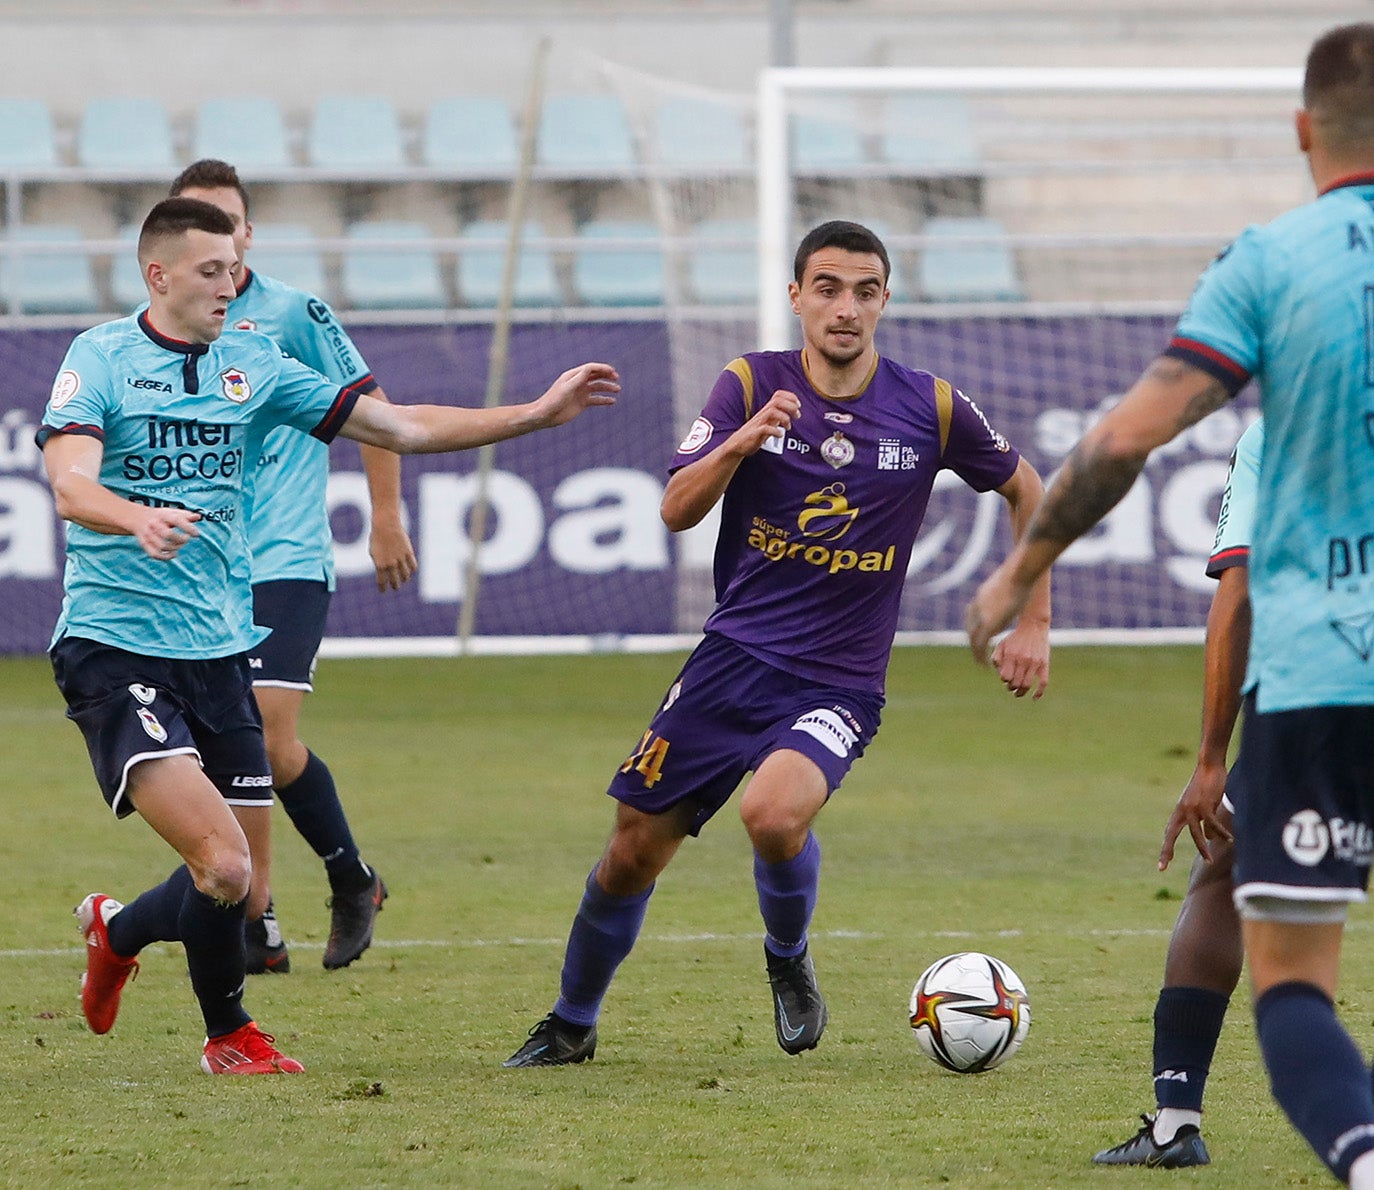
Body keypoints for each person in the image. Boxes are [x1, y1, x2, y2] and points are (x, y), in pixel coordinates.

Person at [41, 197, 618, 1074]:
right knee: (229, 868)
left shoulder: (257, 362)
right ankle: (230, 1035)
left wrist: (533, 414)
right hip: (115, 646)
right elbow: (70, 483)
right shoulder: (102, 357)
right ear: (157, 276)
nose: (230, 284)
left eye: (233, 267)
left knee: (222, 877)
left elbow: (399, 424)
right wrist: (135, 518)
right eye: (208, 271)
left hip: (217, 648)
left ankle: (117, 933)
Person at [966, 23, 1374, 1186]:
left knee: (1290, 976)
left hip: (1326, 681)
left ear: (1304, 131)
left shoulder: (1268, 270)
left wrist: (1019, 571)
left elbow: (1132, 445)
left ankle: (1200, 1121)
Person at [503, 220, 1051, 1068]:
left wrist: (1033, 617)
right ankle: (572, 1022)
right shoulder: (750, 382)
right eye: (827, 288)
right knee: (628, 852)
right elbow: (676, 508)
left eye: (865, 291)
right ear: (796, 296)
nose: (846, 308)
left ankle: (788, 959)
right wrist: (739, 442)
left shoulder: (931, 406)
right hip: (730, 665)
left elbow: (1029, 489)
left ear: (885, 301)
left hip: (838, 681)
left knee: (773, 814)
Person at [169, 159, 412, 975]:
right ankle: (298, 903)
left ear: (248, 232)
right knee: (229, 748)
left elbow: (371, 411)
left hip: (287, 556)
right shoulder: (167, 326)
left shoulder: (292, 313)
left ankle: (287, 903)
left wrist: (385, 517)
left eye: (230, 221)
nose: (222, 237)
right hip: (207, 566)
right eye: (203, 220)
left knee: (267, 737)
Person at [1092, 418, 1262, 1169]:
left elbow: (1239, 590)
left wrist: (1210, 758)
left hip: (1324, 700)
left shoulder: (1282, 432)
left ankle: (1175, 1120)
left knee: (1224, 869)